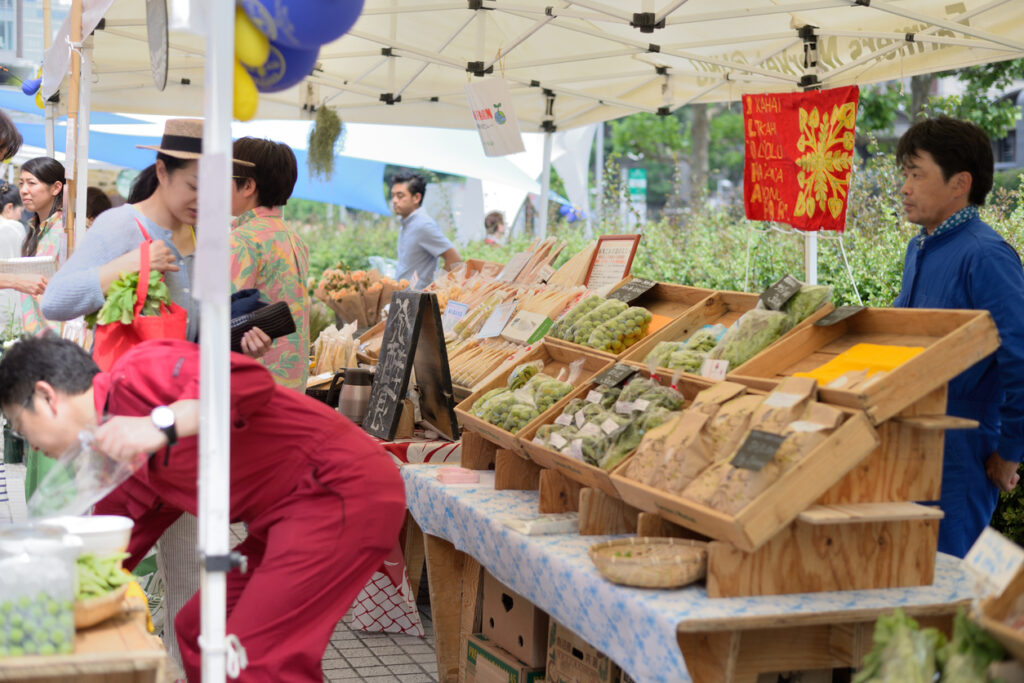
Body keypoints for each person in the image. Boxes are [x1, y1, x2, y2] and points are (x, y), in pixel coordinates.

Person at [0, 335, 406, 682]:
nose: (31, 445)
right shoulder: (117, 455)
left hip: (340, 487)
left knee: (250, 653)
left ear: (46, 396)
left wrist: (158, 424)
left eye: (20, 427)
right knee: (197, 629)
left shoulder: (137, 371)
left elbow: (249, 379)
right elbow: (115, 548)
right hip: (282, 518)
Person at [41, 118, 269, 667]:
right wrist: (125, 266)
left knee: (192, 580)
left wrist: (239, 342)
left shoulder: (211, 240)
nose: (202, 203)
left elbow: (194, 336)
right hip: (120, 426)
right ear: (162, 172)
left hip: (184, 430)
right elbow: (56, 301)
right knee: (100, 565)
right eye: (193, 187)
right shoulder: (123, 227)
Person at [892, 116, 1024, 557]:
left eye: (916, 174)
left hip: (961, 450)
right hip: (909, 438)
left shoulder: (986, 256)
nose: (904, 187)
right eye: (904, 175)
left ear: (959, 183)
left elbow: (1019, 357)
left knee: (945, 584)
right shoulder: (921, 246)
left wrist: (1011, 451)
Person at [230, 136, 311, 391]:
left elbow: (225, 320)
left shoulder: (242, 240)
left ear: (248, 186)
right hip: (293, 384)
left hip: (255, 385)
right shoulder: (293, 238)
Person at [18, 157, 65, 336]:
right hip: (34, 336)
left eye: (31, 183)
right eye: (21, 183)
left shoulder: (66, 232)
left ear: (56, 187)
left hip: (57, 336)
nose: (23, 190)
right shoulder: (34, 230)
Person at [390, 172, 461, 288]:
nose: (394, 200)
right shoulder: (407, 223)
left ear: (416, 198)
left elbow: (454, 259)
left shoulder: (423, 225)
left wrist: (436, 289)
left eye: (400, 196)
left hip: (417, 301)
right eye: (393, 195)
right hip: (402, 299)